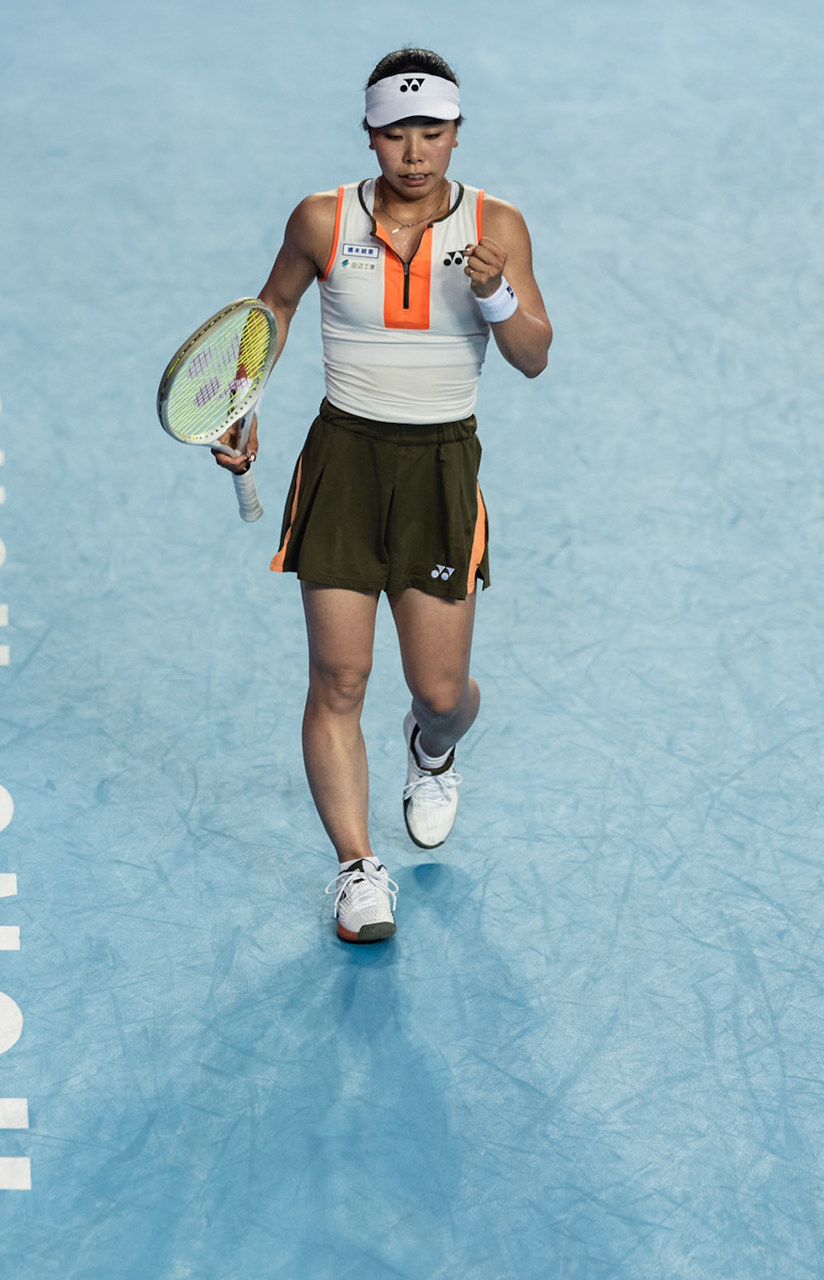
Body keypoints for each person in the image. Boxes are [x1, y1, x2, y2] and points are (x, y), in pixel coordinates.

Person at [215, 47, 552, 943]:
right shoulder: (321, 220)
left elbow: (533, 355)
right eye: (396, 132)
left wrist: (496, 293)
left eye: (431, 132)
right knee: (340, 676)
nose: (414, 151)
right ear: (369, 134)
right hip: (345, 462)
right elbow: (272, 310)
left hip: (442, 468)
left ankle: (432, 746)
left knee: (439, 690)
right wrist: (241, 404)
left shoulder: (496, 227)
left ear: (456, 135)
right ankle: (358, 870)